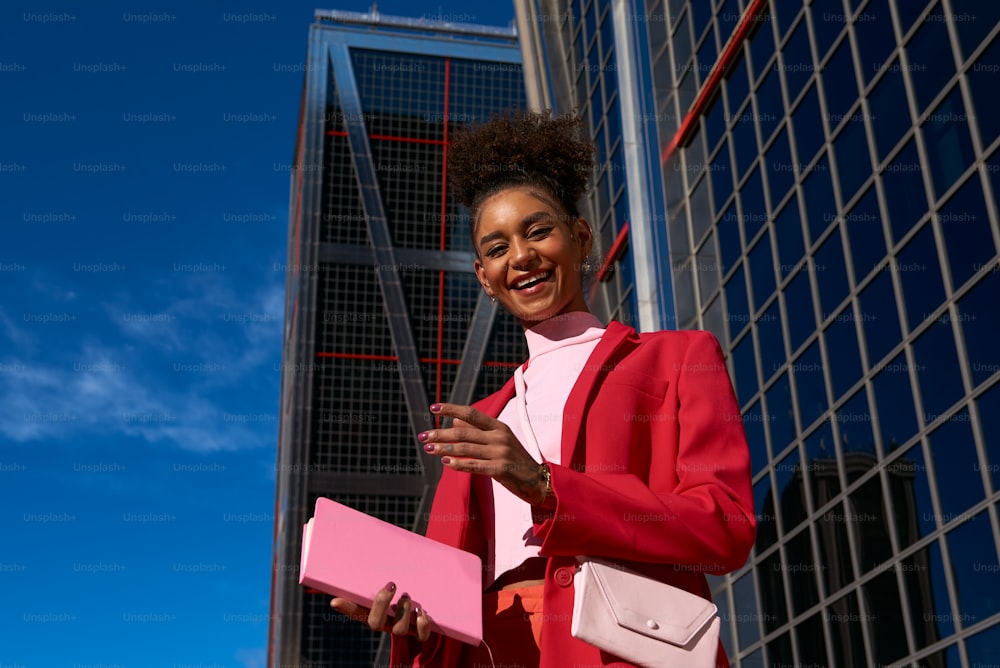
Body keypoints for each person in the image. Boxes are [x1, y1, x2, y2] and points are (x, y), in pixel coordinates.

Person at [330, 111, 756, 667]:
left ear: (579, 237)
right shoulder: (476, 421)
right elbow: (451, 594)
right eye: (498, 247)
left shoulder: (678, 358)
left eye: (537, 230)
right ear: (484, 277)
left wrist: (543, 484)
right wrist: (408, 616)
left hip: (621, 651)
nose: (522, 257)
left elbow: (725, 527)